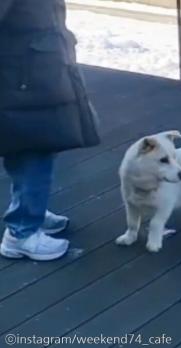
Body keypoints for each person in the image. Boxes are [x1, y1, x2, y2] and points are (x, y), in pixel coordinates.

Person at [0, 0, 100, 260]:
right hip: (22, 80)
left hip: (37, 75)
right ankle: (22, 231)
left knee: (36, 148)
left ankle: (31, 210)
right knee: (34, 151)